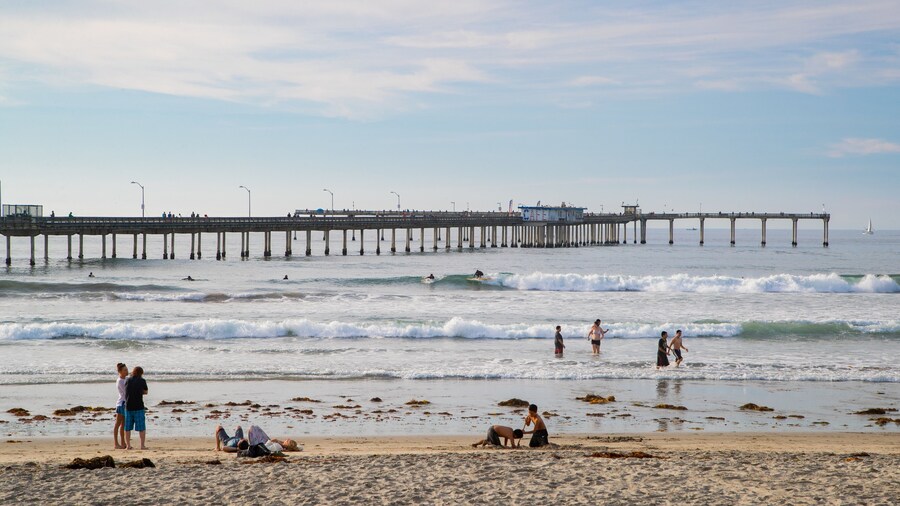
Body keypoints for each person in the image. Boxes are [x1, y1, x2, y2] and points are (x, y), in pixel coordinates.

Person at [124, 366, 149, 450]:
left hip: (128, 406)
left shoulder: (127, 380)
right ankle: (142, 445)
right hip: (138, 406)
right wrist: (140, 391)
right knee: (141, 427)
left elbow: (126, 390)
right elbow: (145, 391)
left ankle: (128, 445)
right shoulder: (142, 381)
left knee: (127, 428)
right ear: (141, 373)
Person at [113, 363, 128, 449]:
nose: (127, 371)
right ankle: (116, 443)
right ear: (120, 371)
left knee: (124, 424)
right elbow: (126, 392)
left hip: (125, 403)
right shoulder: (120, 381)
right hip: (121, 403)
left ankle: (123, 442)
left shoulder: (126, 379)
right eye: (125, 370)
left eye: (127, 369)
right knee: (118, 424)